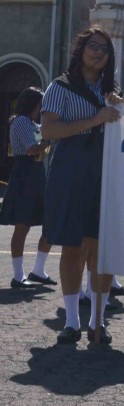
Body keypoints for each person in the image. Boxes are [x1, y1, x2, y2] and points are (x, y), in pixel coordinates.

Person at [41, 28, 121, 344]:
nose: (98, 52)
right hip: (70, 169)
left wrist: (118, 107)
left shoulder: (111, 92)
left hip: (103, 170)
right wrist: (95, 119)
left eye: (104, 48)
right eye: (93, 46)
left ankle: (97, 320)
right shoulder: (59, 87)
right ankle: (72, 320)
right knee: (72, 246)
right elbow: (48, 131)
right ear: (81, 49)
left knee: (100, 249)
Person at [0, 87, 55, 288]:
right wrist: (49, 138)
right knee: (22, 225)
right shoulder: (21, 121)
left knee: (49, 221)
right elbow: (33, 149)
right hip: (25, 171)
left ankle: (38, 270)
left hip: (35, 172)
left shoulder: (31, 123)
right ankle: (18, 275)